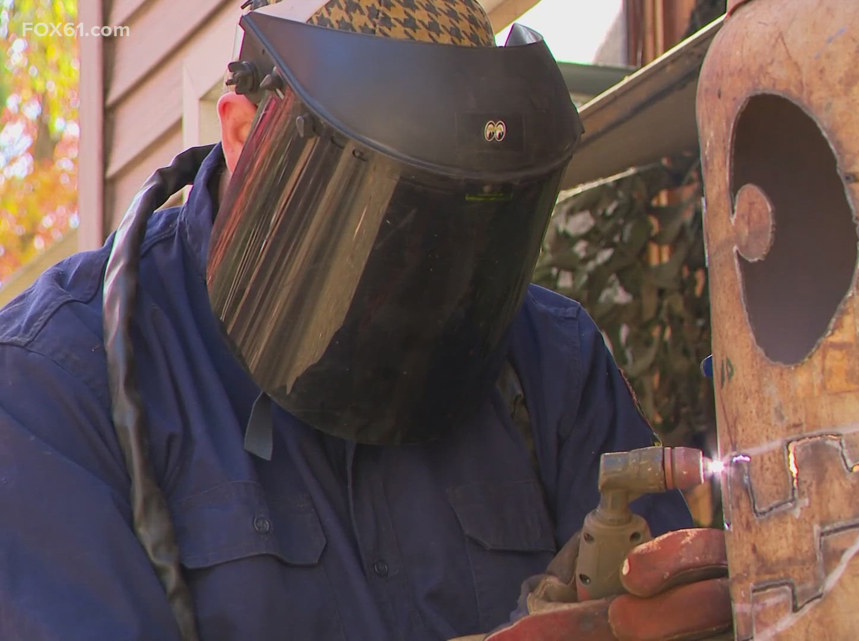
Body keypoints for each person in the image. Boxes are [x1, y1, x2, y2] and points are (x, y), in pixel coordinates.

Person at [0, 1, 731, 639]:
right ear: (244, 131)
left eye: (451, 222)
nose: (413, 271)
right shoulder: (55, 386)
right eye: (380, 213)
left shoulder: (550, 361)